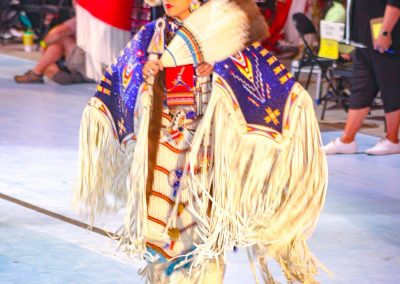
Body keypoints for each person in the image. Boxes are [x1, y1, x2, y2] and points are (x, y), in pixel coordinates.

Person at [73, 0, 328, 282]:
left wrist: (220, 71)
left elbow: (268, 87)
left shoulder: (222, 34)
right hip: (160, 151)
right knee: (157, 235)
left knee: (197, 239)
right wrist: (147, 77)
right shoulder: (152, 34)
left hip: (201, 157)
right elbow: (123, 81)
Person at [323, 0, 400, 155]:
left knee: (390, 88)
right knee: (361, 88)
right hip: (364, 40)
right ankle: (347, 140)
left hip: (385, 38)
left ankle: (392, 140)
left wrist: (385, 31)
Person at [14, 15, 88, 85]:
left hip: (85, 63)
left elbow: (57, 33)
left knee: (59, 39)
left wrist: (43, 45)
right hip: (95, 68)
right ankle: (40, 72)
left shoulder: (84, 18)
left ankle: (37, 73)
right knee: (55, 46)